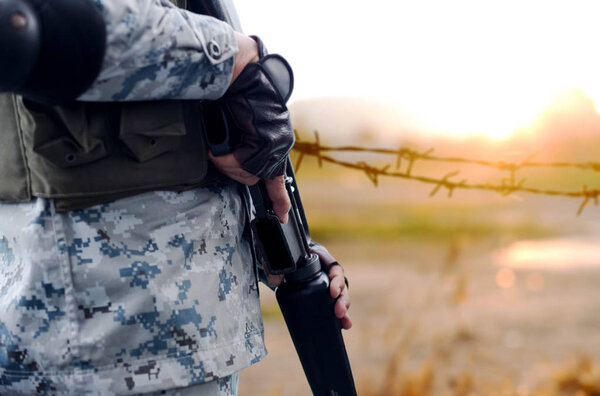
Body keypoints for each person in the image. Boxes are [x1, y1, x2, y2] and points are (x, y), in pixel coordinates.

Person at [0, 0, 351, 395]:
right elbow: (27, 27)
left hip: (175, 329)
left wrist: (276, 243)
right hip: (104, 342)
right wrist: (233, 57)